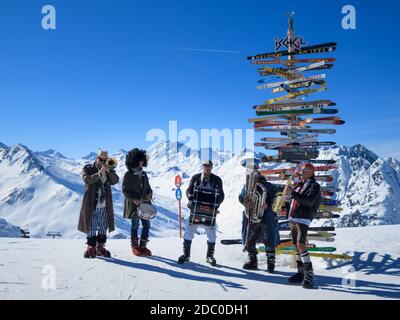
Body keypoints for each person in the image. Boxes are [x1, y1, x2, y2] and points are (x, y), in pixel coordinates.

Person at [178, 160, 224, 266]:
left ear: (212, 167)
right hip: (196, 210)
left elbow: (221, 195)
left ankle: (210, 256)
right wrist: (190, 198)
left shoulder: (217, 180)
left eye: (209, 166)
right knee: (189, 232)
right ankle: (186, 255)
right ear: (202, 167)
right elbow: (189, 190)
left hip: (210, 211)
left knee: (211, 234)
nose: (207, 168)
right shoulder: (195, 178)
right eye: (205, 166)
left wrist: (216, 205)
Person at [283, 163, 321, 289]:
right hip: (294, 217)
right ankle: (301, 272)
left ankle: (309, 274)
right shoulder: (301, 185)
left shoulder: (314, 186)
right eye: (302, 171)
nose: (302, 173)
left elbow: (309, 201)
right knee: (295, 244)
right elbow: (295, 199)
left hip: (304, 217)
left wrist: (293, 193)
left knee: (301, 244)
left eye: (304, 171)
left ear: (311, 172)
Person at [78, 150, 119, 258]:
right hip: (91, 204)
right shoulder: (88, 168)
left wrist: (109, 171)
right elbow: (87, 180)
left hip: (104, 205)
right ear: (97, 158)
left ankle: (100, 247)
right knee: (91, 226)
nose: (103, 161)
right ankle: (91, 248)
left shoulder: (109, 169)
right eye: (101, 159)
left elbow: (116, 180)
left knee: (102, 226)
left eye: (105, 160)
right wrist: (99, 173)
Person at [239, 170, 279, 272]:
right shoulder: (247, 187)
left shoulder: (269, 186)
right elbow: (241, 196)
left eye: (254, 178)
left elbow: (276, 198)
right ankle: (253, 261)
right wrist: (245, 201)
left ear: (259, 177)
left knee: (268, 239)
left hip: (267, 216)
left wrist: (268, 204)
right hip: (252, 215)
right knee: (250, 239)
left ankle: (271, 262)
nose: (252, 181)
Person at [122, 148, 153, 256]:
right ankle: (135, 246)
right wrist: (133, 199)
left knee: (146, 225)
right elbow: (125, 191)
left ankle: (143, 246)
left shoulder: (144, 174)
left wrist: (149, 195)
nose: (141, 162)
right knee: (135, 225)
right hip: (133, 205)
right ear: (134, 160)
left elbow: (149, 188)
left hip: (145, 204)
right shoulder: (128, 175)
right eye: (139, 160)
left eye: (142, 160)